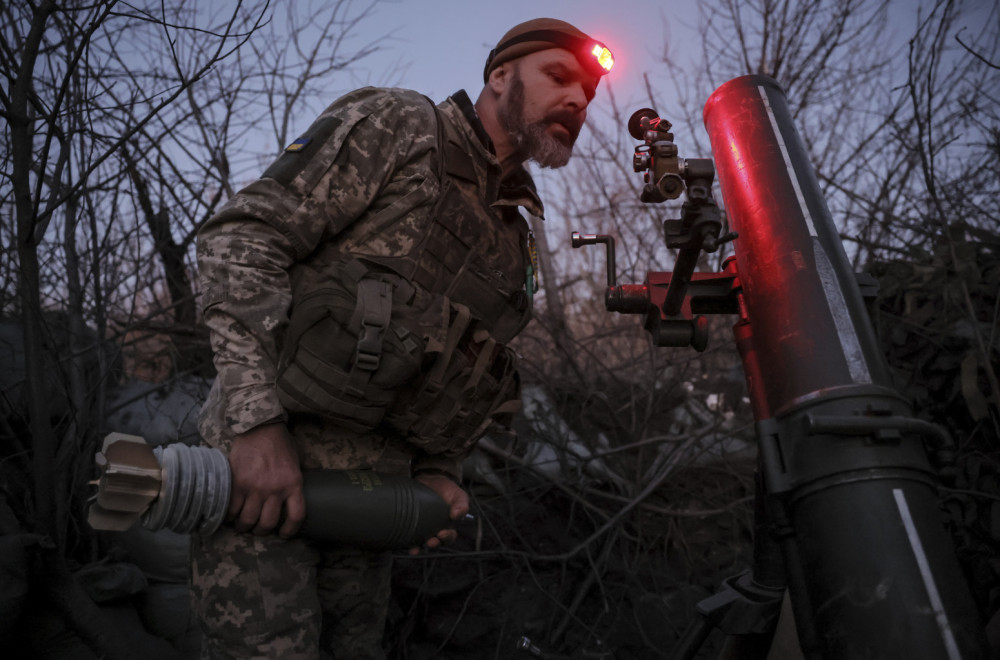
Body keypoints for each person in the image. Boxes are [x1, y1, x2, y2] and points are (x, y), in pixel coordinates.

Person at [192, 17, 614, 660]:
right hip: (267, 483)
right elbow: (241, 241)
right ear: (500, 76)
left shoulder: (514, 240)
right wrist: (254, 426)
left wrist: (437, 475)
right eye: (560, 77)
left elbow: (462, 370)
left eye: (589, 94)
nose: (579, 101)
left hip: (372, 509)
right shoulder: (402, 128)